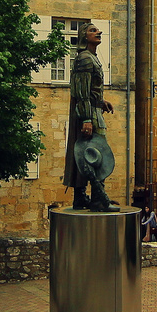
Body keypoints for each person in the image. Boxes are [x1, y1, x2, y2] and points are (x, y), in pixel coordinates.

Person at [61, 22, 117, 211]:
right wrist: (86, 118)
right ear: (84, 36)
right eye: (93, 30)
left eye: (98, 30)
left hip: (93, 110)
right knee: (94, 155)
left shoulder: (91, 58)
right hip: (88, 114)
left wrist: (101, 102)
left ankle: (81, 198)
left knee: (88, 154)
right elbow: (81, 92)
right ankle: (98, 199)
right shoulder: (85, 58)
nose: (98, 32)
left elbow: (91, 89)